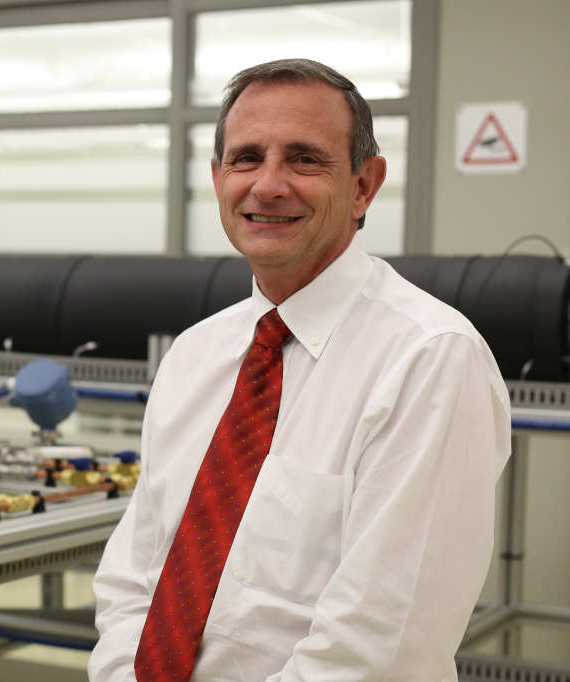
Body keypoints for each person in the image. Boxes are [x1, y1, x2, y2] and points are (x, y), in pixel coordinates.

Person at [89, 58, 511, 681]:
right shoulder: (196, 354)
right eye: (247, 157)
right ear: (217, 179)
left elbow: (378, 646)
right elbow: (134, 575)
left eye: (305, 160)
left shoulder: (429, 359)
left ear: (365, 185)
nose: (268, 185)